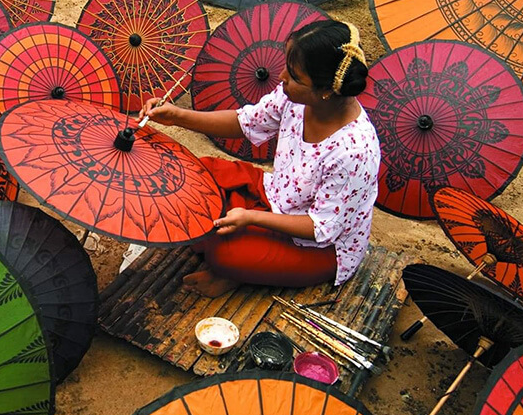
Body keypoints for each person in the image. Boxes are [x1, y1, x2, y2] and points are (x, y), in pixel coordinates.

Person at [138, 20, 380, 298]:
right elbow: (246, 122)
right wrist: (177, 117)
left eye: (295, 76)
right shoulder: (295, 96)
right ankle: (239, 257)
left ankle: (232, 272)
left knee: (225, 254)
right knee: (192, 173)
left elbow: (319, 228)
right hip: (276, 194)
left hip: (318, 247)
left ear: (325, 91)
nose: (282, 77)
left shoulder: (354, 151)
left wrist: (250, 217)